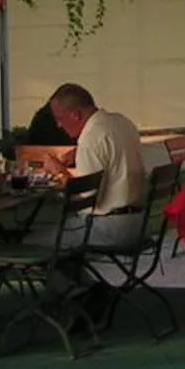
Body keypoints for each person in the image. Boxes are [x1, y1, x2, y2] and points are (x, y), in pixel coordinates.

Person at [47, 82, 147, 248]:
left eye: (59, 118)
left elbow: (83, 198)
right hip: (139, 222)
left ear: (75, 115)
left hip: (110, 227)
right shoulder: (122, 122)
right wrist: (79, 155)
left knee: (32, 244)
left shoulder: (90, 139)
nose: (58, 125)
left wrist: (59, 172)